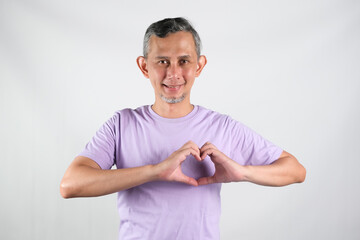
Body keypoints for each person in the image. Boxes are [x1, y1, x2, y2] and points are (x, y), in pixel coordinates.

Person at [60, 17, 306, 239]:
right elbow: (70, 184)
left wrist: (242, 172)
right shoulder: (121, 125)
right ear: (144, 66)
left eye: (183, 61)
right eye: (162, 61)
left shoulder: (222, 126)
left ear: (199, 66)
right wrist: (155, 171)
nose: (173, 73)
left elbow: (295, 170)